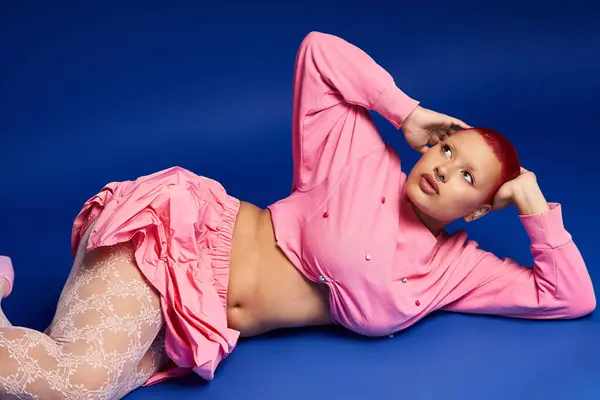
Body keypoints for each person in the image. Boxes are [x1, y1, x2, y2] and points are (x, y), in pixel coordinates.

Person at [0, 31, 595, 399]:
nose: (443, 168)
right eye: (446, 150)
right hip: (169, 244)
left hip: (194, 324)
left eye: (468, 176)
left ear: (482, 209)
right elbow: (319, 52)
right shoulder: (361, 157)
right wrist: (404, 111)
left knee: (77, 385)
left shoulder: (458, 271)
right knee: (72, 388)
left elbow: (571, 298)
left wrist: (536, 210)